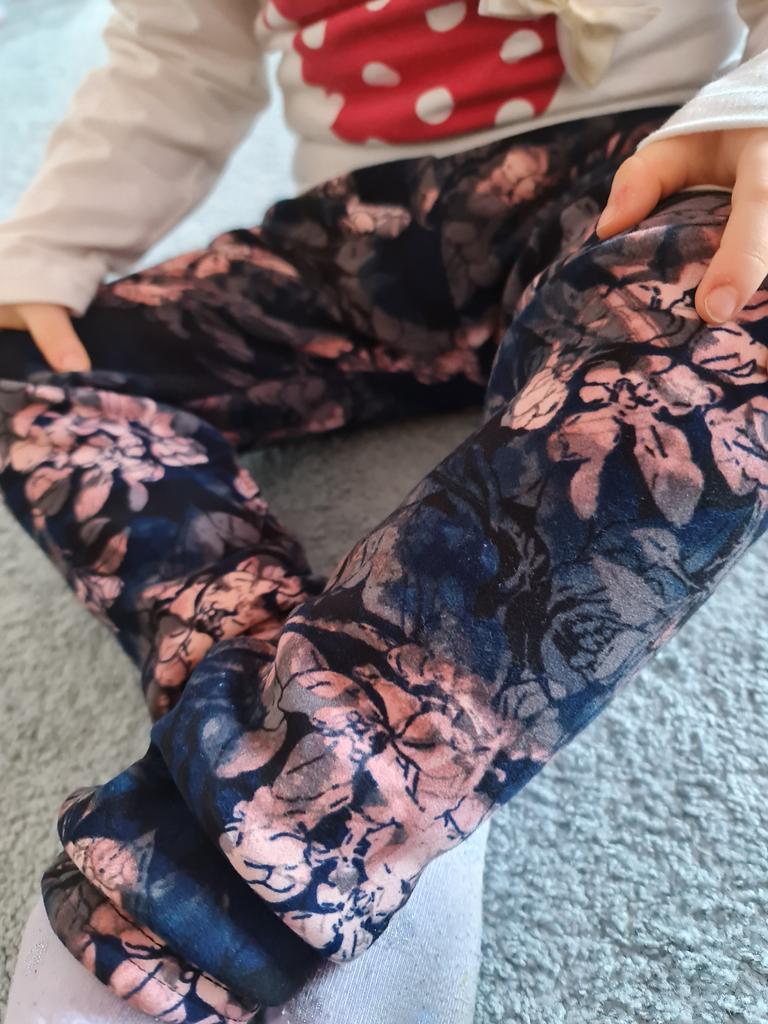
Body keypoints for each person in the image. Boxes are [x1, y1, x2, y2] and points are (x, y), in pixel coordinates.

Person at [1, 0, 767, 1020]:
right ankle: (316, 718)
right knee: (22, 359)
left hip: (632, 167)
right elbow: (174, 53)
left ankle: (249, 854)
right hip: (358, 234)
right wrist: (43, 249)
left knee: (740, 294)